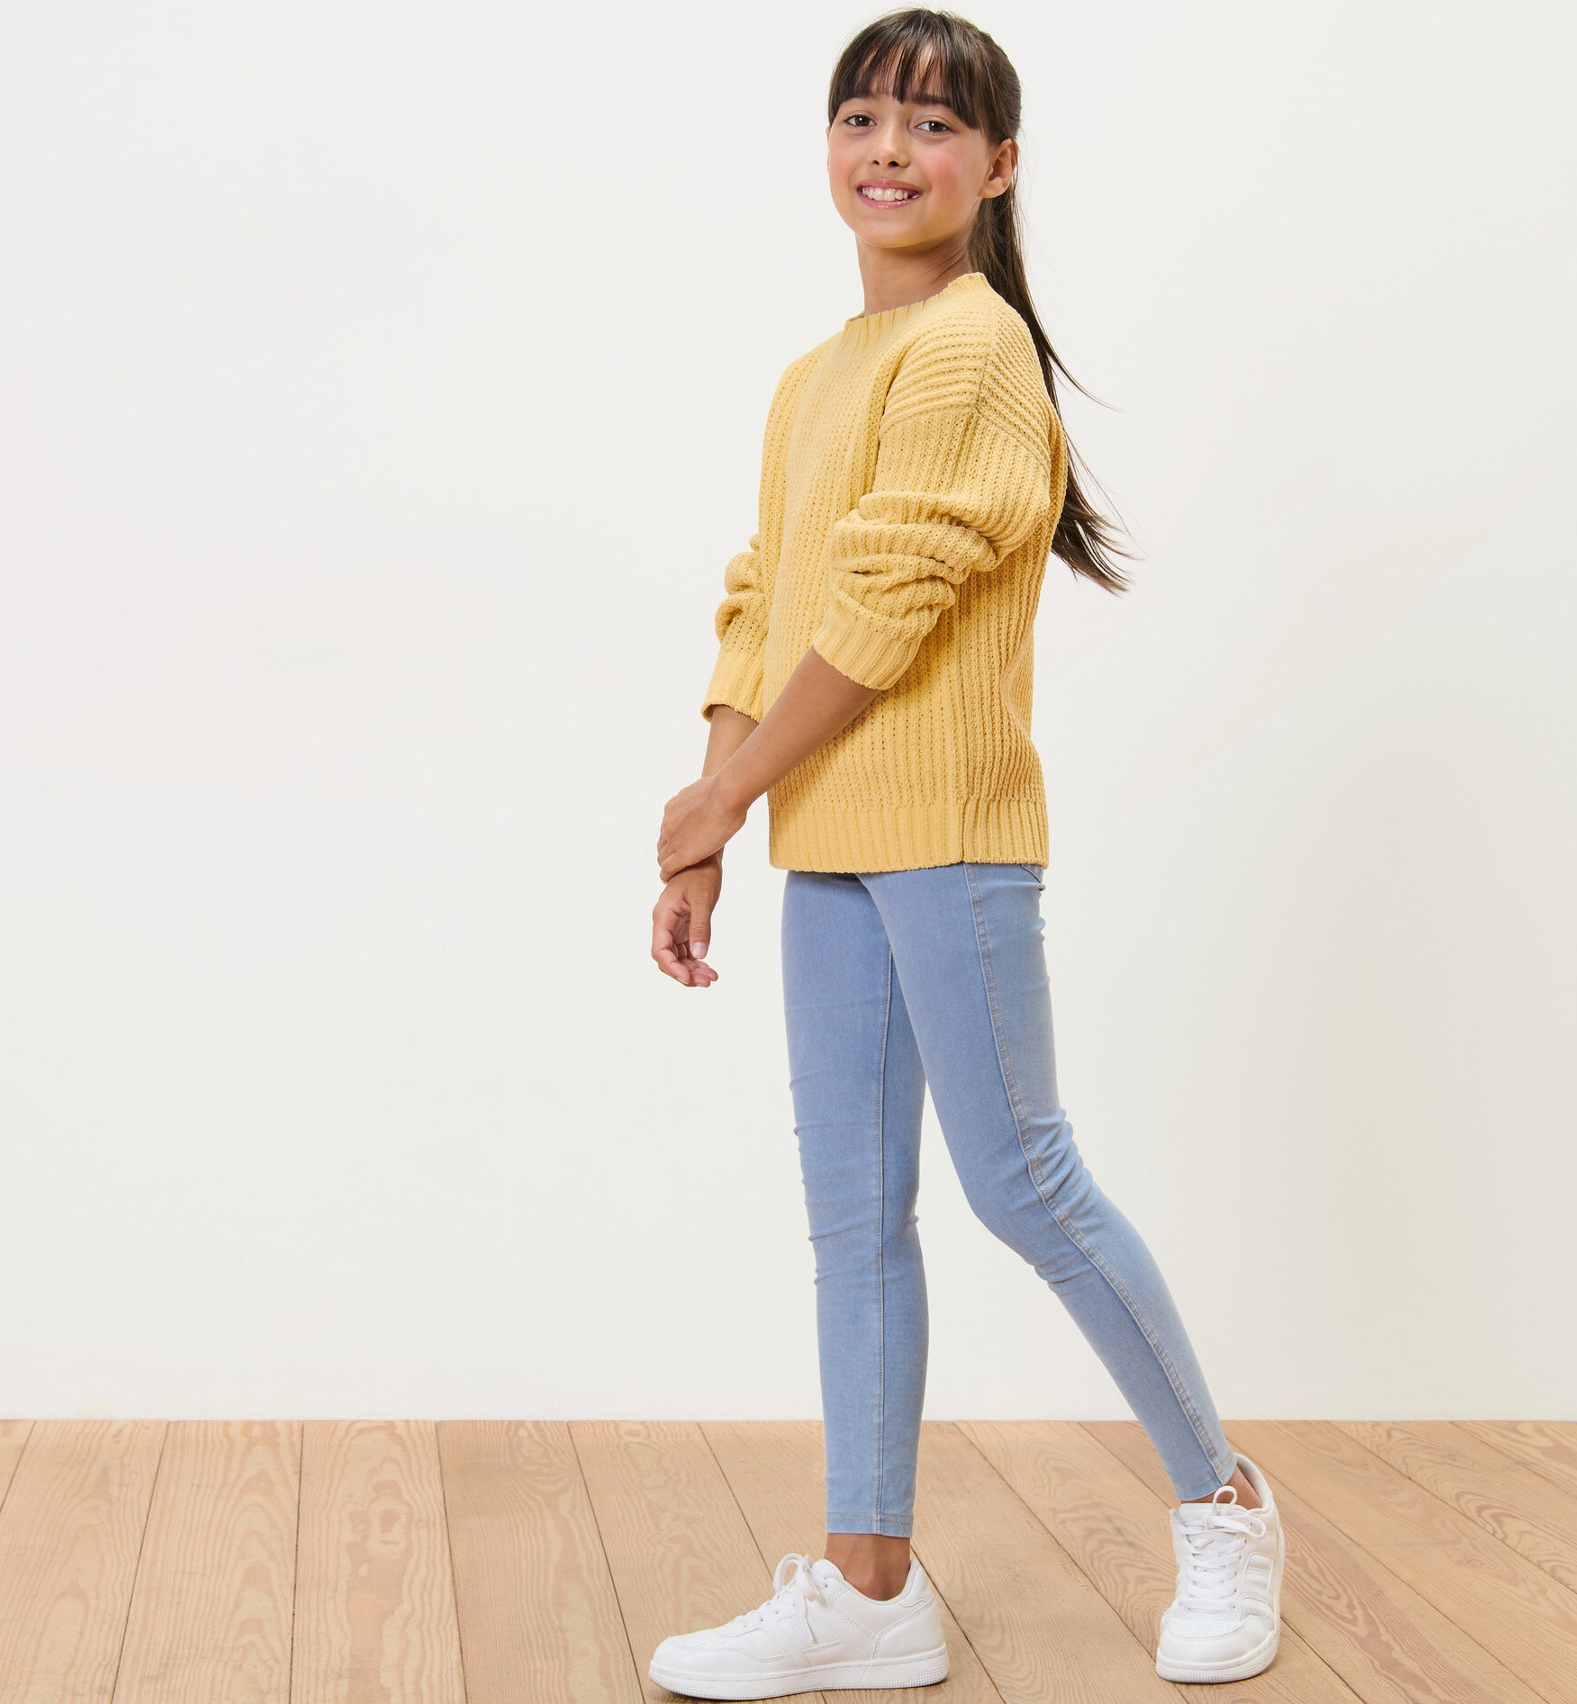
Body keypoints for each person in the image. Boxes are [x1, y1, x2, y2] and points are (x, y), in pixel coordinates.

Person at [647, 8, 1283, 1695]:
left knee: (1023, 1183)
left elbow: (881, 604)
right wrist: (712, 819)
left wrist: (727, 799)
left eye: (932, 127)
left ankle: (1223, 1505)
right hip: (823, 845)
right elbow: (759, 601)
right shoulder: (813, 378)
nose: (888, 150)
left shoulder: (973, 352)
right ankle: (870, 1589)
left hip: (951, 840)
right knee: (852, 1216)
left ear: (998, 169)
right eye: (861, 116)